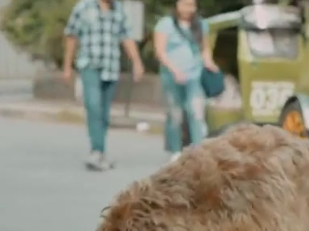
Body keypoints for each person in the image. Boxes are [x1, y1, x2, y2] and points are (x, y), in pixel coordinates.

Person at [62, 0, 145, 171]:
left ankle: (100, 150)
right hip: (90, 65)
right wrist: (67, 66)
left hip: (111, 67)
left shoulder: (118, 9)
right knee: (93, 107)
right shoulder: (83, 7)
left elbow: (126, 37)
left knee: (104, 114)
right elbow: (71, 35)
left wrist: (137, 62)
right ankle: (96, 151)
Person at [153, 0, 219, 163]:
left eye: (192, 5)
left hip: (194, 75)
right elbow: (160, 52)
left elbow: (204, 49)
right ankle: (175, 149)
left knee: (196, 111)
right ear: (176, 5)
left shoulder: (201, 25)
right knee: (175, 113)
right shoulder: (165, 25)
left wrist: (209, 63)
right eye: (185, 4)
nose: (188, 9)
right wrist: (174, 70)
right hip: (172, 76)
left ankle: (199, 150)